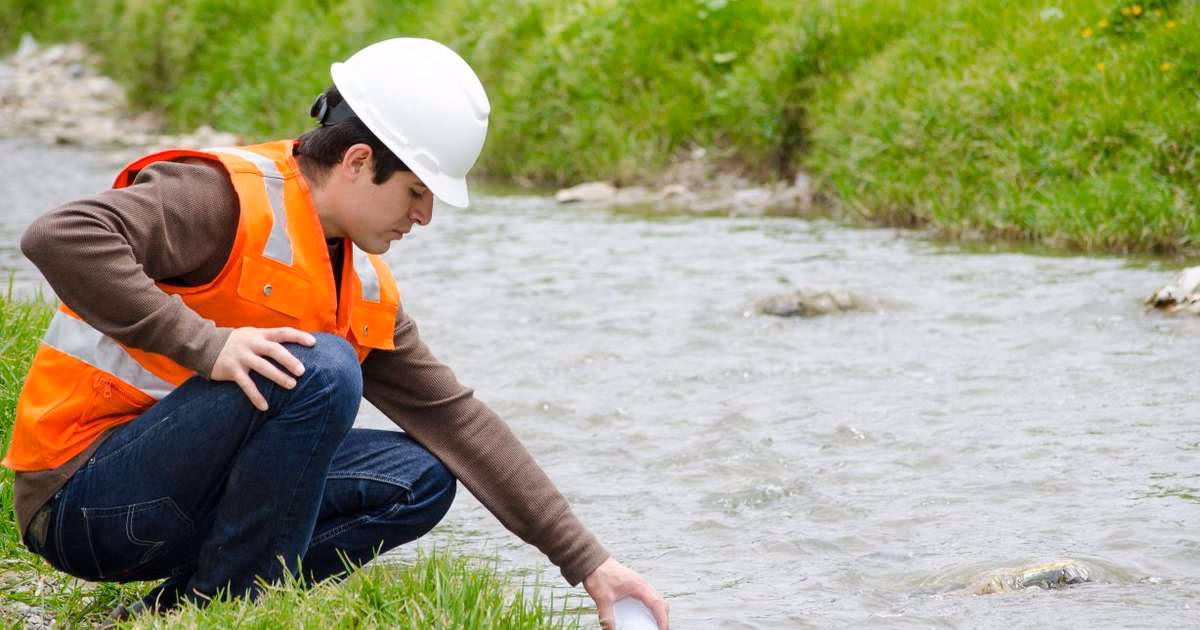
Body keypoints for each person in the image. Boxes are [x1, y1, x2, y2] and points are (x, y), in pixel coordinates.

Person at [4, 38, 669, 628]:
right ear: (356, 161)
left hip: (179, 505)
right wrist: (207, 346)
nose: (426, 215)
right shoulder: (217, 198)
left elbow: (459, 422)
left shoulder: (359, 282)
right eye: (415, 191)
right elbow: (59, 236)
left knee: (425, 475)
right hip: (83, 501)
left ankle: (204, 610)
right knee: (323, 368)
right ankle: (249, 606)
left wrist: (591, 564)